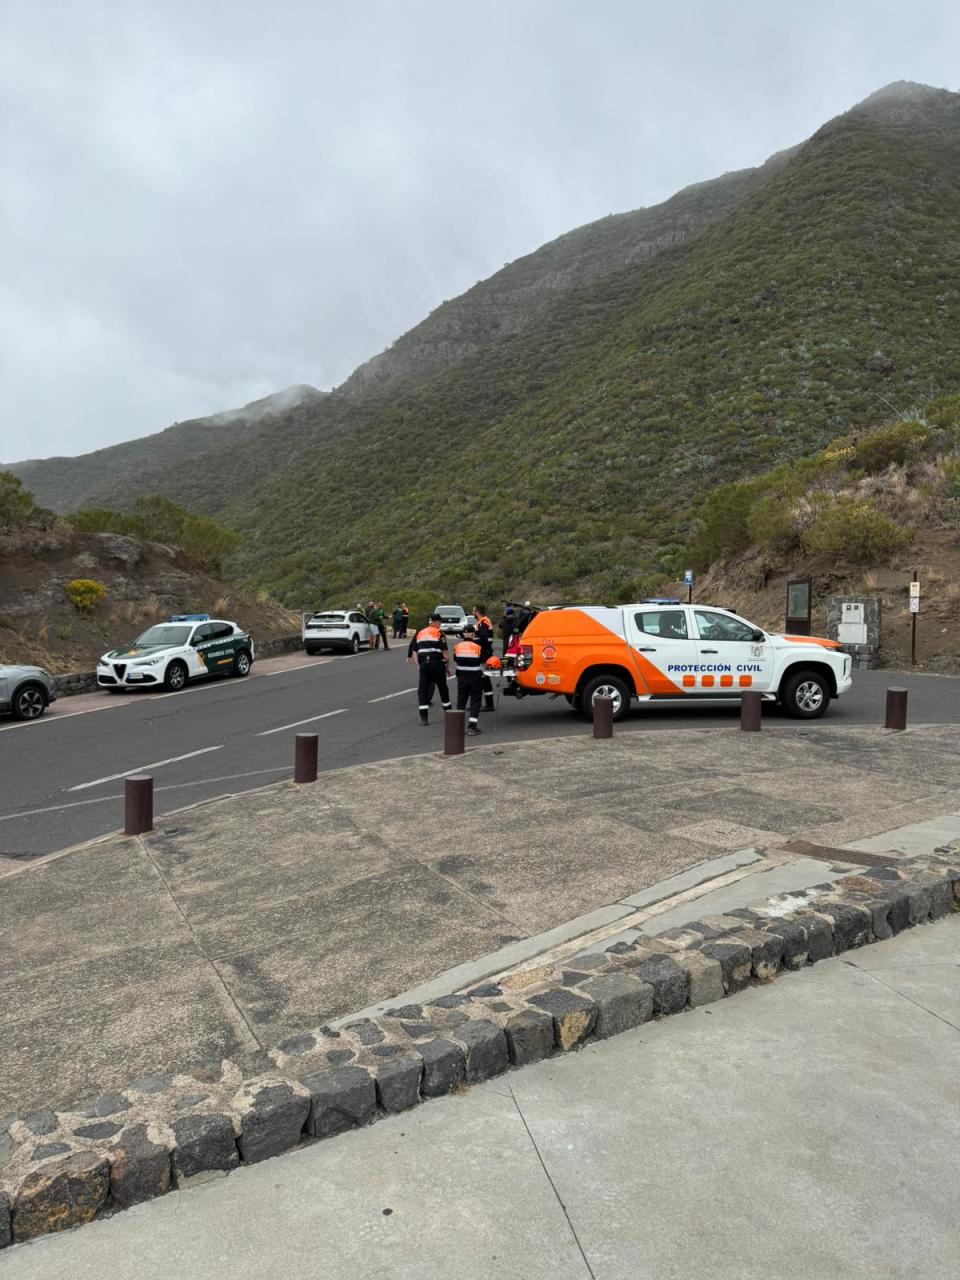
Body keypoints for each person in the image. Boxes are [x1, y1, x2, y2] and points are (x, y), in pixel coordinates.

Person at [408, 612, 452, 725]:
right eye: (440, 622)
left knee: (423, 690)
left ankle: (424, 718)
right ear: (436, 622)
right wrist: (448, 667)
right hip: (436, 663)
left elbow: (414, 651)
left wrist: (418, 665)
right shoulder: (439, 633)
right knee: (443, 688)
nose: (440, 625)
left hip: (424, 665)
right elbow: (445, 653)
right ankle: (449, 714)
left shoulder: (420, 632)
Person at [453, 620, 485, 735]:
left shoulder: (457, 647)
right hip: (475, 677)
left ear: (463, 634)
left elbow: (456, 660)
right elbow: (482, 662)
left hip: (461, 677)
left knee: (461, 700)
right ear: (473, 634)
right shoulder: (478, 647)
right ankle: (472, 727)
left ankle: (457, 727)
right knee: (475, 701)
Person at [472, 604, 496, 712]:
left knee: (483, 678)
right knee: (483, 678)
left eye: (473, 611)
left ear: (477, 611)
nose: (472, 613)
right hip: (484, 653)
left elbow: (484, 639)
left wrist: (473, 642)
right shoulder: (483, 621)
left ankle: (489, 704)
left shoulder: (482, 622)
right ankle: (487, 703)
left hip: (483, 654)